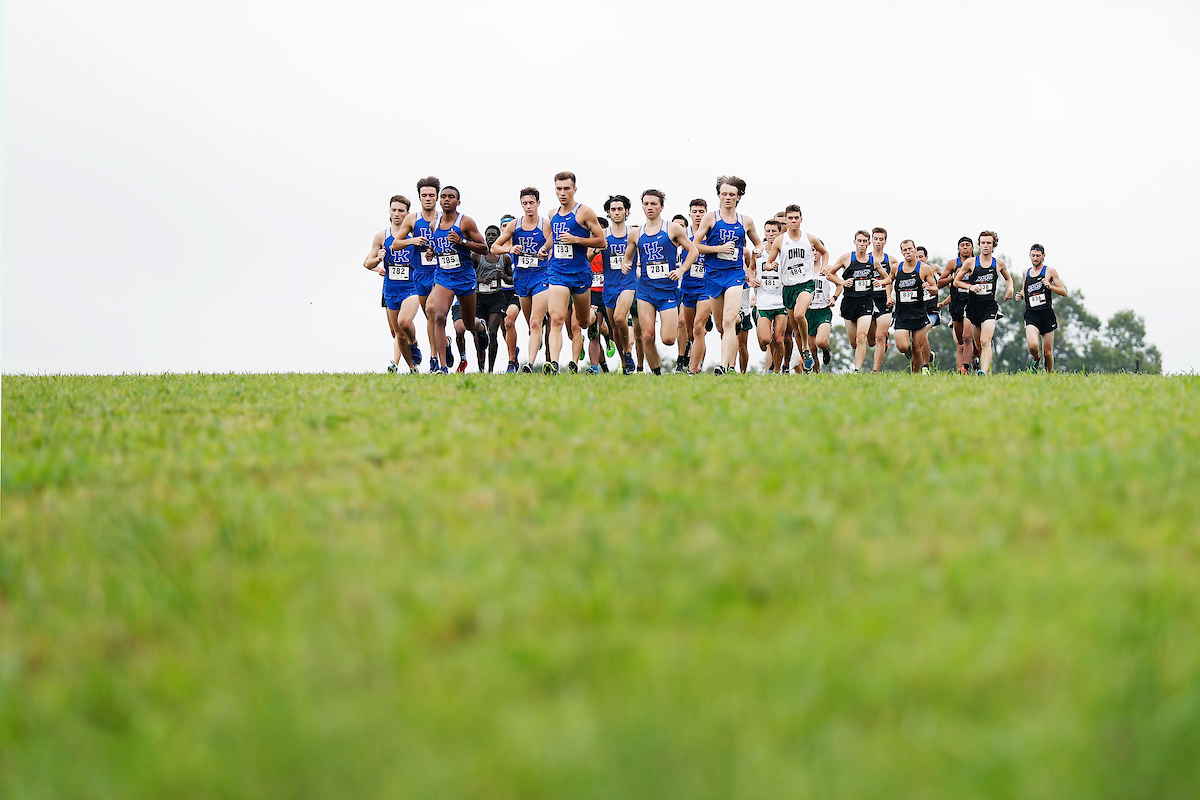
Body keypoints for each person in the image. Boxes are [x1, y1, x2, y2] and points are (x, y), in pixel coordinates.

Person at [621, 189, 698, 375]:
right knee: (647, 335)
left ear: (661, 207)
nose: (649, 207)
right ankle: (656, 374)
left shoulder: (672, 229)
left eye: (654, 204)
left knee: (668, 338)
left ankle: (684, 355)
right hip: (646, 290)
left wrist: (681, 269)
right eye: (646, 204)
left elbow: (693, 250)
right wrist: (626, 264)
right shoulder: (635, 233)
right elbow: (628, 258)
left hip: (667, 291)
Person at [691, 176, 763, 374]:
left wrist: (758, 249)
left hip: (734, 275)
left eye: (732, 194)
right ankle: (738, 320)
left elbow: (758, 242)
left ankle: (724, 366)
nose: (728, 198)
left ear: (738, 197)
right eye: (724, 194)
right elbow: (695, 245)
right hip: (713, 275)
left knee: (728, 321)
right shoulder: (710, 218)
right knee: (722, 325)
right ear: (719, 196)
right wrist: (718, 248)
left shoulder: (745, 221)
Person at [389, 176, 458, 372]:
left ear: (437, 197)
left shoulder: (444, 218)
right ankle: (444, 344)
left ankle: (434, 358)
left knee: (431, 310)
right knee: (432, 318)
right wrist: (413, 241)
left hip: (441, 273)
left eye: (431, 195)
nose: (428, 198)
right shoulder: (413, 219)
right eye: (424, 195)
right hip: (419, 275)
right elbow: (396, 243)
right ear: (419, 197)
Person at [545, 172, 608, 374]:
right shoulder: (552, 214)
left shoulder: (584, 212)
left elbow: (601, 241)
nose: (562, 193)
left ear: (574, 189)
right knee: (556, 318)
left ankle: (592, 320)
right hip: (557, 272)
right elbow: (555, 237)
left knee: (581, 321)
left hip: (580, 273)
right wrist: (545, 249)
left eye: (566, 188)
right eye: (558, 189)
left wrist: (576, 240)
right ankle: (554, 364)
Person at [422, 186, 489, 374]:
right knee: (439, 316)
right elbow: (438, 246)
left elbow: (484, 248)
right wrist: (431, 252)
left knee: (468, 325)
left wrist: (462, 242)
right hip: (443, 277)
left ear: (457, 202)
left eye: (451, 197)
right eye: (443, 196)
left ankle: (480, 326)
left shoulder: (465, 222)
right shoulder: (434, 225)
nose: (446, 200)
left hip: (464, 278)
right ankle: (442, 367)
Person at [491, 187, 552, 373]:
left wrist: (546, 254)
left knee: (535, 322)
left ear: (538, 203)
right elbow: (494, 247)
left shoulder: (545, 224)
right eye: (524, 203)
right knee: (530, 324)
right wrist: (509, 250)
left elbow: (556, 245)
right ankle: (538, 334)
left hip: (542, 277)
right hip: (521, 279)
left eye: (531, 203)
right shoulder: (515, 225)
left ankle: (530, 364)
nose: (528, 207)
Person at [765, 204, 828, 372]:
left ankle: (806, 348)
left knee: (800, 314)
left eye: (796, 218)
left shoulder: (810, 239)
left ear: (801, 219)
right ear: (786, 220)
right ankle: (806, 357)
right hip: (788, 288)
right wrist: (770, 266)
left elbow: (825, 252)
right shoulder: (780, 240)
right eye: (790, 218)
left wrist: (824, 266)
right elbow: (769, 262)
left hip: (806, 284)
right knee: (797, 330)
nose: (793, 221)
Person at [363, 195, 420, 373]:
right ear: (389, 212)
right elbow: (367, 263)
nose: (397, 214)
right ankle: (412, 368)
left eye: (401, 211)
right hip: (391, 290)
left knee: (405, 321)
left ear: (407, 214)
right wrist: (378, 260)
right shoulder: (382, 236)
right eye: (393, 210)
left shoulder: (414, 235)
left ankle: (414, 343)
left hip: (412, 288)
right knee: (398, 335)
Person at [827, 230, 890, 372]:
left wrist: (880, 283)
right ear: (854, 242)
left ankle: (856, 370)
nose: (862, 244)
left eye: (864, 241)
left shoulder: (873, 261)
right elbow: (830, 275)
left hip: (866, 303)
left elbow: (887, 278)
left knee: (862, 337)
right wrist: (842, 282)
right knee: (854, 343)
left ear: (869, 243)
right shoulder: (846, 258)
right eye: (859, 241)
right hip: (849, 303)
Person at [953, 230, 1014, 375]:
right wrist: (970, 287)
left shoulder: (998, 263)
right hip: (973, 308)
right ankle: (979, 358)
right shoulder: (970, 262)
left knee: (986, 340)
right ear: (979, 245)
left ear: (993, 246)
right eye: (983, 243)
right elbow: (956, 282)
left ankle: (983, 372)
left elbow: (1008, 278)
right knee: (979, 344)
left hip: (989, 307)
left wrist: (1010, 288)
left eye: (989, 243)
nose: (986, 246)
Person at [890, 239, 940, 373]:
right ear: (901, 252)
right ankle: (909, 354)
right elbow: (889, 282)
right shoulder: (896, 267)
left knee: (917, 348)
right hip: (902, 314)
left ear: (914, 249)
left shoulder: (924, 268)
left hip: (919, 313)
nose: (907, 252)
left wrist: (929, 287)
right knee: (902, 346)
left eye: (910, 249)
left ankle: (915, 375)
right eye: (904, 250)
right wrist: (889, 296)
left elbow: (935, 289)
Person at [1015, 243, 1067, 372]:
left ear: (1043, 256)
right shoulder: (1026, 272)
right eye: (1033, 256)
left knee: (1047, 353)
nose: (1035, 258)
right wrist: (1020, 295)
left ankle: (1048, 377)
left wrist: (1050, 286)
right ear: (1030, 256)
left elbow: (1063, 291)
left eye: (1038, 256)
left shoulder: (1050, 271)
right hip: (1031, 314)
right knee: (1032, 346)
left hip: (1046, 314)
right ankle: (1036, 359)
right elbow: (1024, 290)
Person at [474, 225, 513, 372]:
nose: (491, 237)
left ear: (498, 238)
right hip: (479, 298)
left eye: (494, 235)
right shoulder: (476, 256)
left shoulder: (505, 257)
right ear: (484, 237)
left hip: (497, 297)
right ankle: (481, 367)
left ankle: (490, 369)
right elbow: (468, 276)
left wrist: (503, 276)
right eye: (488, 235)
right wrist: (481, 280)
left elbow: (512, 280)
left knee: (492, 332)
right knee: (479, 333)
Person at [755, 219, 787, 372]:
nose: (771, 234)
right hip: (763, 301)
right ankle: (761, 335)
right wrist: (751, 278)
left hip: (781, 302)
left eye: (774, 231)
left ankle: (776, 370)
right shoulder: (758, 253)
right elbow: (749, 268)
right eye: (768, 231)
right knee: (765, 340)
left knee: (779, 340)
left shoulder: (785, 253)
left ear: (780, 233)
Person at [941, 236, 977, 373]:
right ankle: (973, 351)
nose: (965, 247)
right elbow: (939, 283)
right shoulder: (952, 263)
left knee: (967, 337)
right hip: (956, 303)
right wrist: (953, 277)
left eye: (968, 244)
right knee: (961, 340)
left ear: (972, 248)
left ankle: (965, 368)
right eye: (962, 245)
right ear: (958, 249)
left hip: (972, 302)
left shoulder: (977, 263)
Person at [866, 227, 896, 372]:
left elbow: (890, 281)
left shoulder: (891, 260)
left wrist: (890, 296)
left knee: (879, 337)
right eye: (876, 239)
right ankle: (885, 339)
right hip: (868, 301)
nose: (878, 242)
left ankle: (875, 370)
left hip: (884, 300)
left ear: (885, 241)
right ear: (871, 240)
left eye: (881, 239)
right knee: (871, 341)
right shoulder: (865, 258)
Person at [806, 265, 839, 373]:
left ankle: (826, 349)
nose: (815, 253)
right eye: (813, 250)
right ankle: (816, 371)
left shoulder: (827, 268)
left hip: (823, 310)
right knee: (812, 348)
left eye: (817, 251)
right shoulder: (805, 267)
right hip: (808, 311)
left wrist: (834, 298)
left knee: (821, 342)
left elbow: (839, 284)